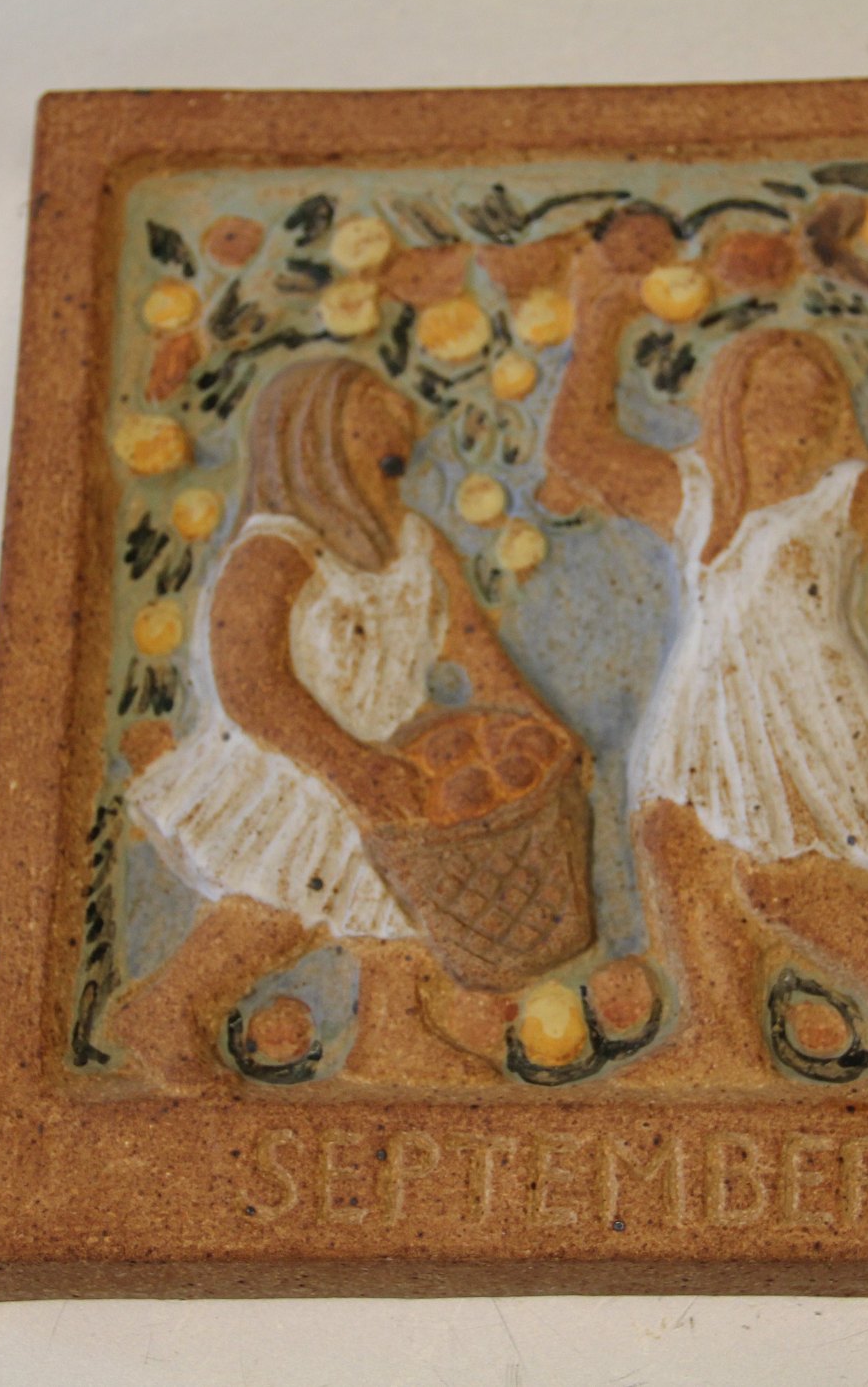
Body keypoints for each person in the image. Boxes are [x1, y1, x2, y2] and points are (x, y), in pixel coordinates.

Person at [540, 209, 868, 1089]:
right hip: (704, 703)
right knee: (674, 840)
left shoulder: (843, 497)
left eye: (814, 398)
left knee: (790, 881)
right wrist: (600, 326)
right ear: (730, 406)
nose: (794, 412)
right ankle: (721, 1037)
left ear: (833, 418)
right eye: (771, 394)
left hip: (808, 705)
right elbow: (578, 452)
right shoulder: (693, 493)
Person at [110, 355, 656, 1090]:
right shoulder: (277, 551)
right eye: (372, 397)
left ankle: (393, 1034)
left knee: (403, 903)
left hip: (390, 762)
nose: (399, 406)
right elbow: (251, 687)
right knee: (276, 906)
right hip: (299, 765)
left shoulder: (417, 542)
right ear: (316, 429)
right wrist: (347, 765)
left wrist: (538, 722)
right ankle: (168, 1008)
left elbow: (475, 649)